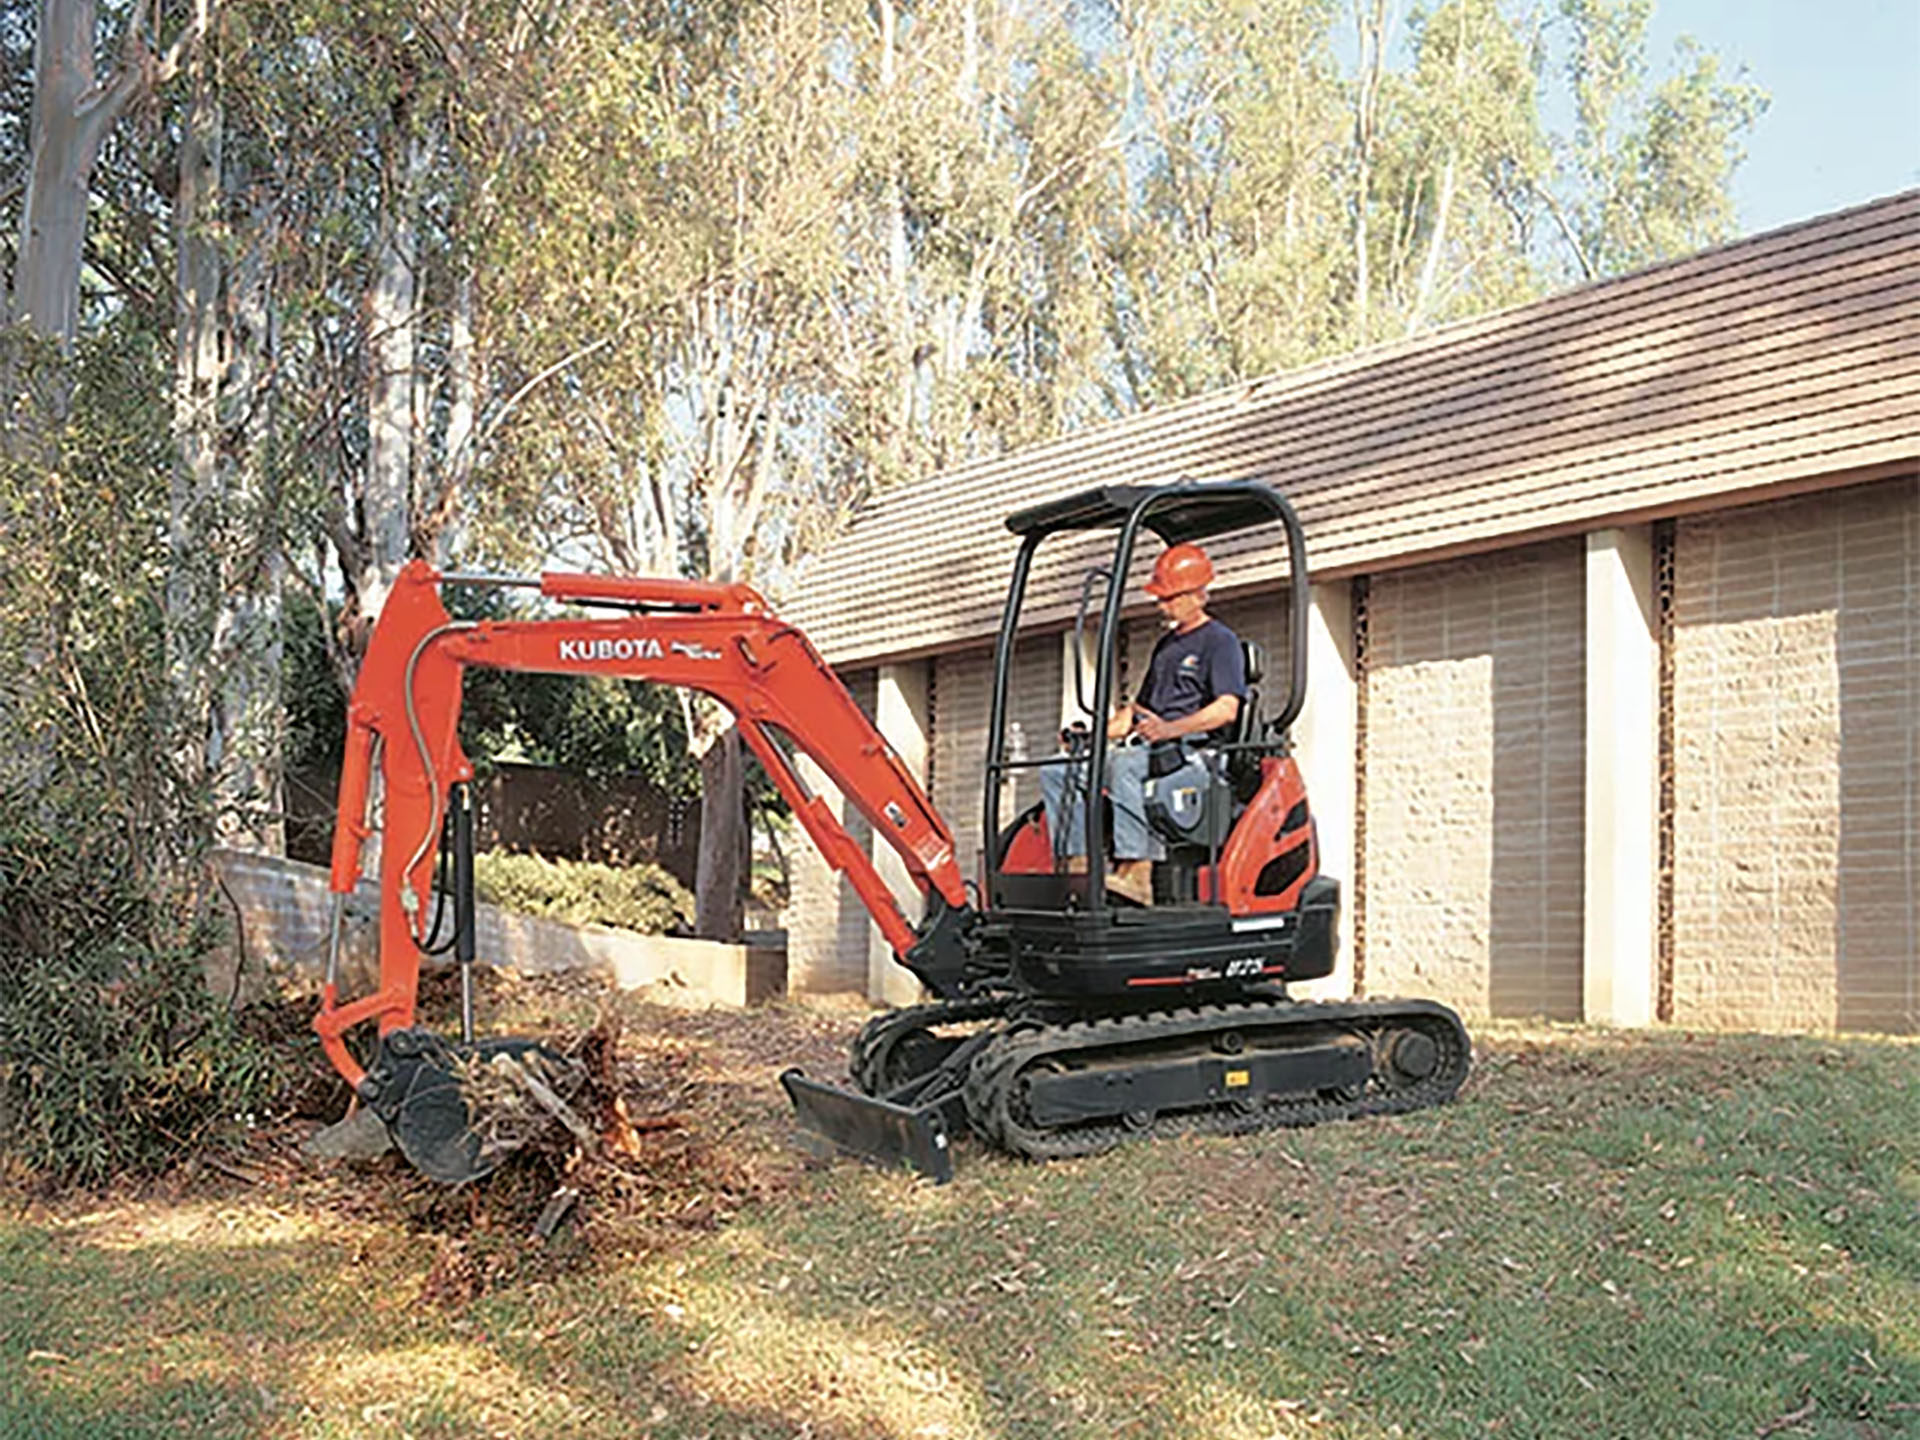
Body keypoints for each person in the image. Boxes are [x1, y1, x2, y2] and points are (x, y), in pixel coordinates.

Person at [1039, 541, 1245, 905]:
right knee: (1059, 770)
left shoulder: (1220, 641)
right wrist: (1090, 737)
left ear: (1197, 595)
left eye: (1169, 598)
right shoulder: (1167, 646)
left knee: (1124, 765)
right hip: (1154, 748)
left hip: (1195, 753)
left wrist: (1170, 729)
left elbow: (1226, 709)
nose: (1161, 605)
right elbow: (1137, 712)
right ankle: (1078, 864)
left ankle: (1137, 871)